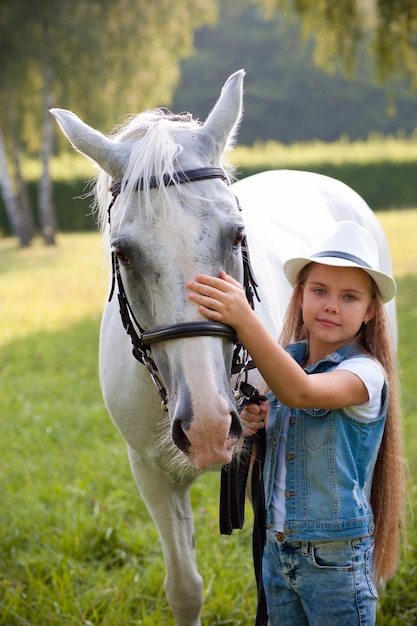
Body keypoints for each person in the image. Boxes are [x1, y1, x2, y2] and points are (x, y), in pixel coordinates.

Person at [187, 220, 405, 626]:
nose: (331, 305)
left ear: (371, 310)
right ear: (300, 294)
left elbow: (302, 393)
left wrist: (243, 318)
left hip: (334, 559)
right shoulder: (289, 362)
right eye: (319, 290)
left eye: (350, 297)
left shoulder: (366, 374)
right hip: (278, 546)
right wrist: (264, 426)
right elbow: (291, 416)